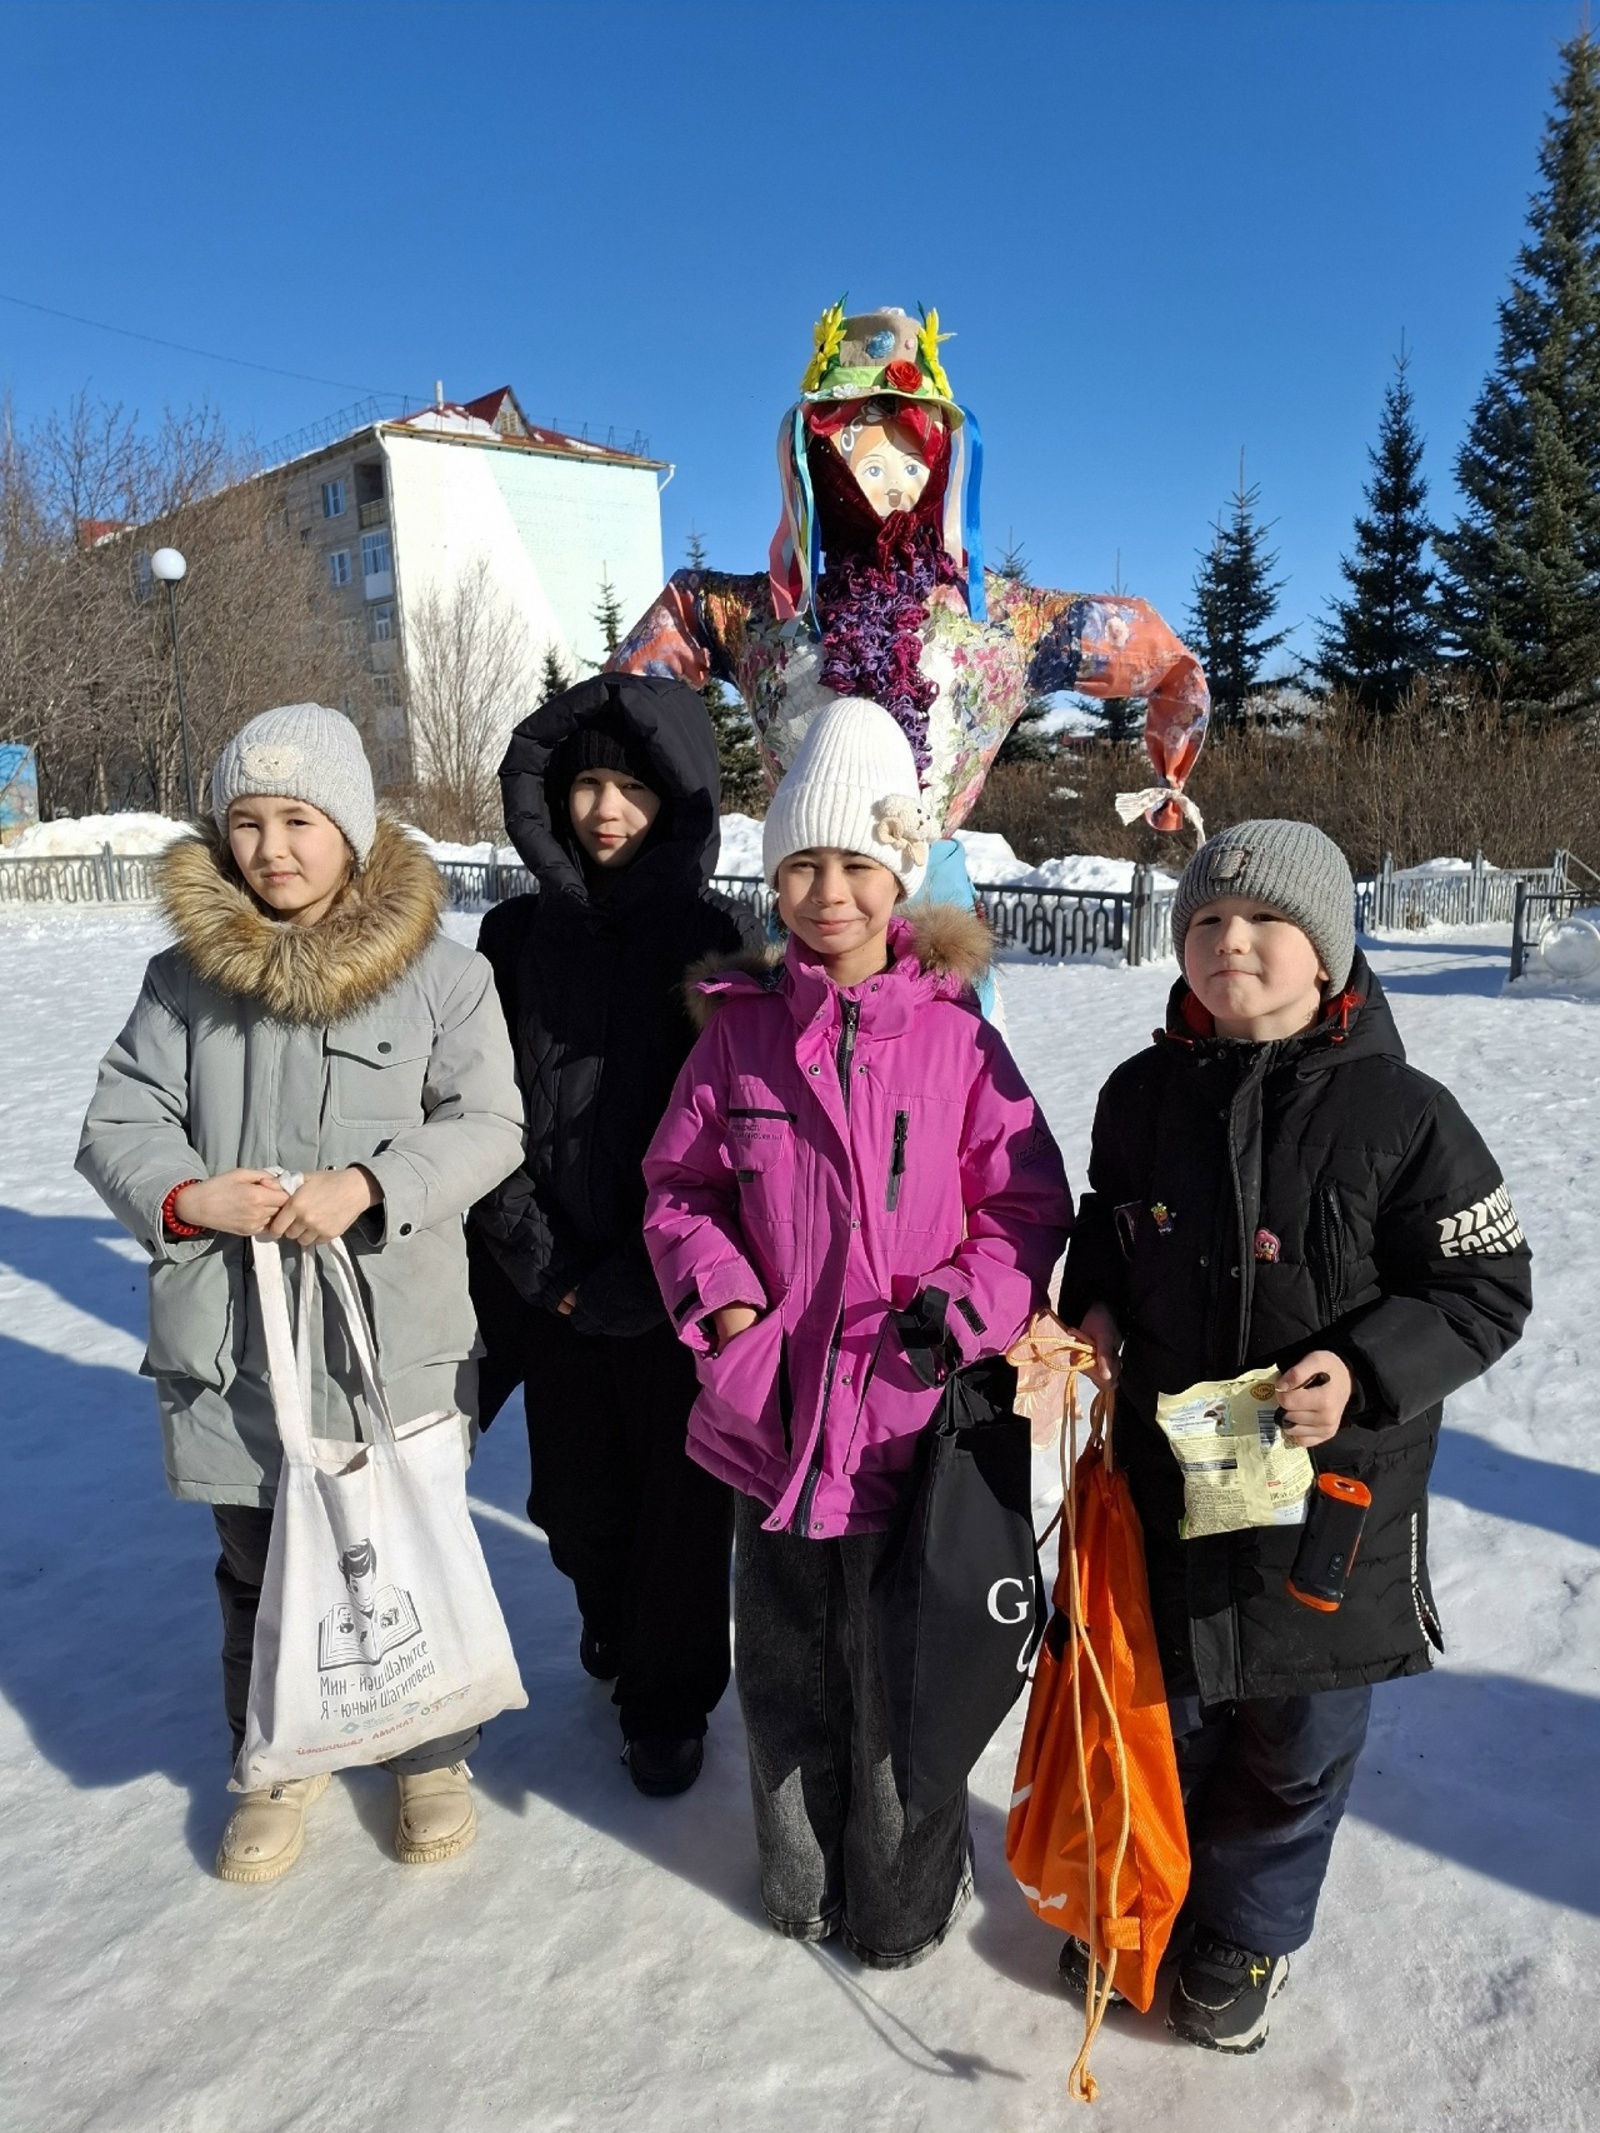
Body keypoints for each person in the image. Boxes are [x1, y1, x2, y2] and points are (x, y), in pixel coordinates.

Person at [1059, 819, 1532, 2052]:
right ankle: (1150, 1893)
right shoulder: (1138, 1095)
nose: (1233, 946)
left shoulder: (1405, 1113)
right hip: (1169, 1487)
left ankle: (1247, 1935)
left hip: (1331, 1508)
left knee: (1293, 1740)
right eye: (1208, 924)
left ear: (1325, 952)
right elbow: (1100, 1242)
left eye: (1266, 924)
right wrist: (1092, 1314)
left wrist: (1365, 1365)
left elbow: (1484, 1284)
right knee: (1169, 1710)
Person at [642, 697, 1071, 1965]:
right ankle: (797, 1885)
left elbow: (1025, 1201)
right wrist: (723, 1310)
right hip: (767, 1418)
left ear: (900, 878)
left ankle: (897, 1901)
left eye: (856, 867)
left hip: (904, 1420)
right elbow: (679, 1191)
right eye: (801, 866)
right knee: (784, 1677)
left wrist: (967, 1309)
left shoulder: (956, 1039)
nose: (827, 895)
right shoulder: (734, 1036)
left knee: (902, 1691)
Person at [77, 703, 523, 1884]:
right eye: (247, 822)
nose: (273, 848)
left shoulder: (444, 977)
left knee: (403, 1543)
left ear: (353, 828)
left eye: (299, 820)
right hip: (233, 1345)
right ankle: (274, 1756)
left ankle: (429, 1749)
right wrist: (184, 1198)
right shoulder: (182, 984)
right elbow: (120, 1122)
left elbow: (488, 1123)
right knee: (256, 1560)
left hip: (391, 1335)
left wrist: (375, 1182)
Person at [606, 302, 1212, 1017]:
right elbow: (643, 669)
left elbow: (1154, 648)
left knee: (944, 1090)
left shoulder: (1002, 620)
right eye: (863, 459)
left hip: (935, 928)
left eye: (907, 458)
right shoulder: (766, 615)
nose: (887, 483)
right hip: (807, 914)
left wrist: (1173, 757)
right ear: (815, 464)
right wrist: (631, 782)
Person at [468, 673, 757, 1796]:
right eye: (585, 782)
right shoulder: (512, 937)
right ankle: (603, 1608)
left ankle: (669, 1699)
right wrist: (542, 1261)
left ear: (673, 803)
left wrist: (653, 1273)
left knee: (682, 1513)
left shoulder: (719, 942)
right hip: (551, 1279)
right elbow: (474, 1105)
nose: (603, 809)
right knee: (575, 1502)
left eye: (630, 788)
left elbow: (742, 1131)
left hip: (680, 1287)